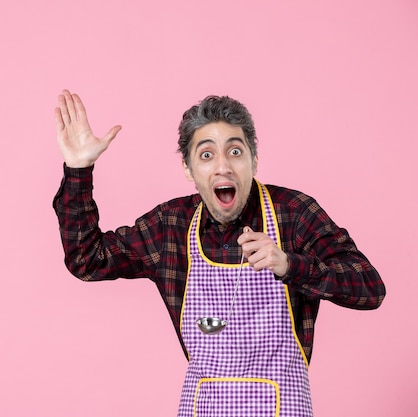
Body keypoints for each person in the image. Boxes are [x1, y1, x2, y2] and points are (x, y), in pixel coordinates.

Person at [52, 89, 385, 417]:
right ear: (188, 170)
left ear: (254, 159)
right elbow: (87, 259)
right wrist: (78, 170)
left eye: (235, 152)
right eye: (206, 155)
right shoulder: (171, 226)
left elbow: (369, 288)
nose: (223, 167)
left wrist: (289, 265)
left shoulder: (294, 214)